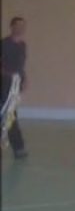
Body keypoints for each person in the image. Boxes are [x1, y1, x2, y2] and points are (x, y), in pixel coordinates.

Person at [1, 17, 29, 159]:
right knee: (8, 114)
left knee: (10, 114)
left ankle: (18, 147)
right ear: (11, 27)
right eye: (17, 25)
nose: (20, 28)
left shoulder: (22, 45)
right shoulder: (4, 44)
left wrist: (23, 79)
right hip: (4, 83)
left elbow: (20, 66)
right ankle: (19, 147)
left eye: (23, 26)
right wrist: (9, 75)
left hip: (15, 85)